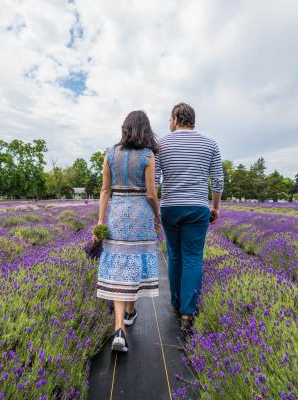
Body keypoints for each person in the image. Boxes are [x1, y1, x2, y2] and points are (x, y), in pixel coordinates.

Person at [95, 110, 161, 353]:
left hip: (118, 216)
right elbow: (151, 194)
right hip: (140, 217)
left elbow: (104, 191)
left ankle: (120, 326)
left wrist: (101, 222)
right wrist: (157, 215)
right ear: (145, 129)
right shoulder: (147, 155)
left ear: (124, 128)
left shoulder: (110, 154)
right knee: (133, 264)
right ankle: (130, 313)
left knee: (118, 268)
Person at [155, 102, 224, 333]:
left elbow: (153, 182)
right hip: (197, 207)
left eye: (169, 120)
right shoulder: (210, 143)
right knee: (193, 257)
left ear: (175, 119)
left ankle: (175, 306)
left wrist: (155, 211)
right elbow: (217, 180)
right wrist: (215, 207)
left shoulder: (162, 144)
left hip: (170, 208)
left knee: (175, 256)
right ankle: (188, 313)